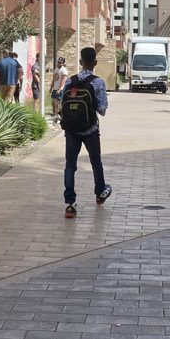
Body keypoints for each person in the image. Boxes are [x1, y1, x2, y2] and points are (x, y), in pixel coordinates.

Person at [60, 47, 112, 219]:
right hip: (90, 130)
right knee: (96, 162)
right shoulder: (98, 83)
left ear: (81, 62)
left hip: (71, 130)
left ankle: (70, 203)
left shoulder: (70, 81)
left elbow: (63, 104)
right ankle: (100, 192)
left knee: (70, 165)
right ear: (95, 62)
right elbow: (102, 110)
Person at [51, 56, 69, 120]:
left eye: (60, 62)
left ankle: (62, 116)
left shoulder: (64, 70)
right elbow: (54, 79)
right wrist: (51, 87)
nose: (58, 63)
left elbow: (63, 80)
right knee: (55, 104)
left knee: (60, 104)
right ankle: (56, 116)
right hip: (55, 89)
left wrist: (59, 89)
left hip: (60, 89)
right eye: (58, 62)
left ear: (63, 63)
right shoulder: (56, 69)